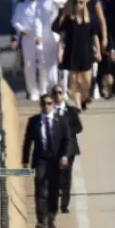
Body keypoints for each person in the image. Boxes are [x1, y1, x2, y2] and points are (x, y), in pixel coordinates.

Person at [21, 94, 74, 228]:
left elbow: (68, 140)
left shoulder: (61, 121)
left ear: (53, 105)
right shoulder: (34, 121)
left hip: (56, 160)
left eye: (50, 103)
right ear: (40, 105)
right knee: (40, 189)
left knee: (54, 190)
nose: (47, 106)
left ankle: (51, 216)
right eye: (44, 103)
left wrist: (65, 156)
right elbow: (28, 141)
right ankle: (41, 219)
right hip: (41, 159)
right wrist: (25, 160)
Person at [55, 0, 102, 109]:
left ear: (84, 4)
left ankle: (84, 97)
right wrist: (60, 52)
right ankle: (78, 105)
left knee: (86, 80)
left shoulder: (90, 19)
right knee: (74, 80)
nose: (78, 5)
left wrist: (98, 51)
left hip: (86, 53)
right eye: (75, 2)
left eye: (81, 2)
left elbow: (95, 36)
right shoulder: (68, 20)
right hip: (72, 52)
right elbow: (62, 37)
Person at [51, 86, 83, 214]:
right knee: (55, 176)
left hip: (69, 149)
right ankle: (54, 201)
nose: (57, 96)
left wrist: (66, 132)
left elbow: (79, 128)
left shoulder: (71, 111)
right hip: (54, 149)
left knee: (66, 176)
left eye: (60, 93)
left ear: (64, 95)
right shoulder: (50, 110)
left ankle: (64, 204)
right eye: (55, 93)